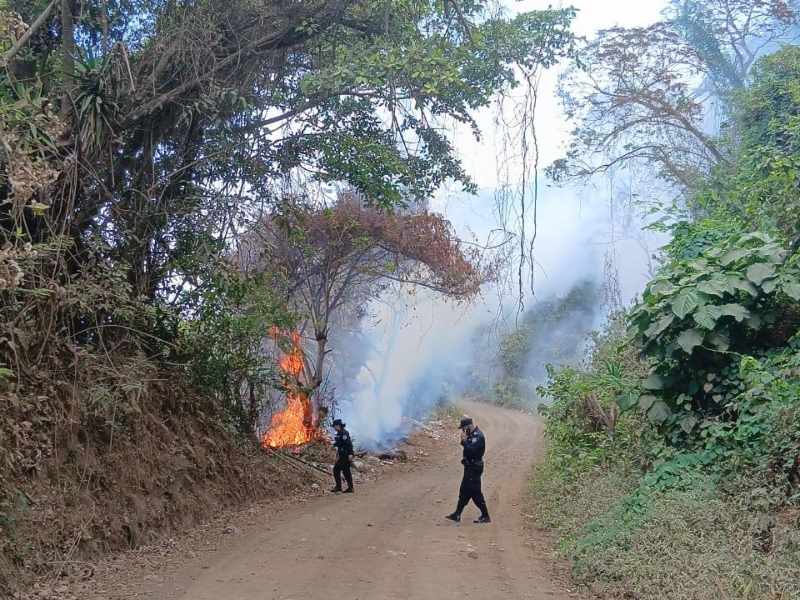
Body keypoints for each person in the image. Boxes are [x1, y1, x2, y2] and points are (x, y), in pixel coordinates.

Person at [446, 415, 491, 524]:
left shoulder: (478, 436)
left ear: (469, 426)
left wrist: (464, 441)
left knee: (475, 493)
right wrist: (464, 441)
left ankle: (485, 516)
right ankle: (457, 514)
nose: (462, 430)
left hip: (474, 468)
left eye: (463, 428)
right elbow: (467, 447)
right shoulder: (471, 434)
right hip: (469, 467)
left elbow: (471, 450)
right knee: (464, 491)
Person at [331, 418, 354, 494]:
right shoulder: (339, 433)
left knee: (340, 470)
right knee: (341, 470)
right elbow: (339, 443)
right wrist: (333, 444)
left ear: (338, 426)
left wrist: (351, 454)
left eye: (335, 426)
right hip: (342, 455)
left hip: (346, 455)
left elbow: (349, 444)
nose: (334, 428)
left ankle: (342, 487)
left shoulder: (344, 433)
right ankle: (343, 487)